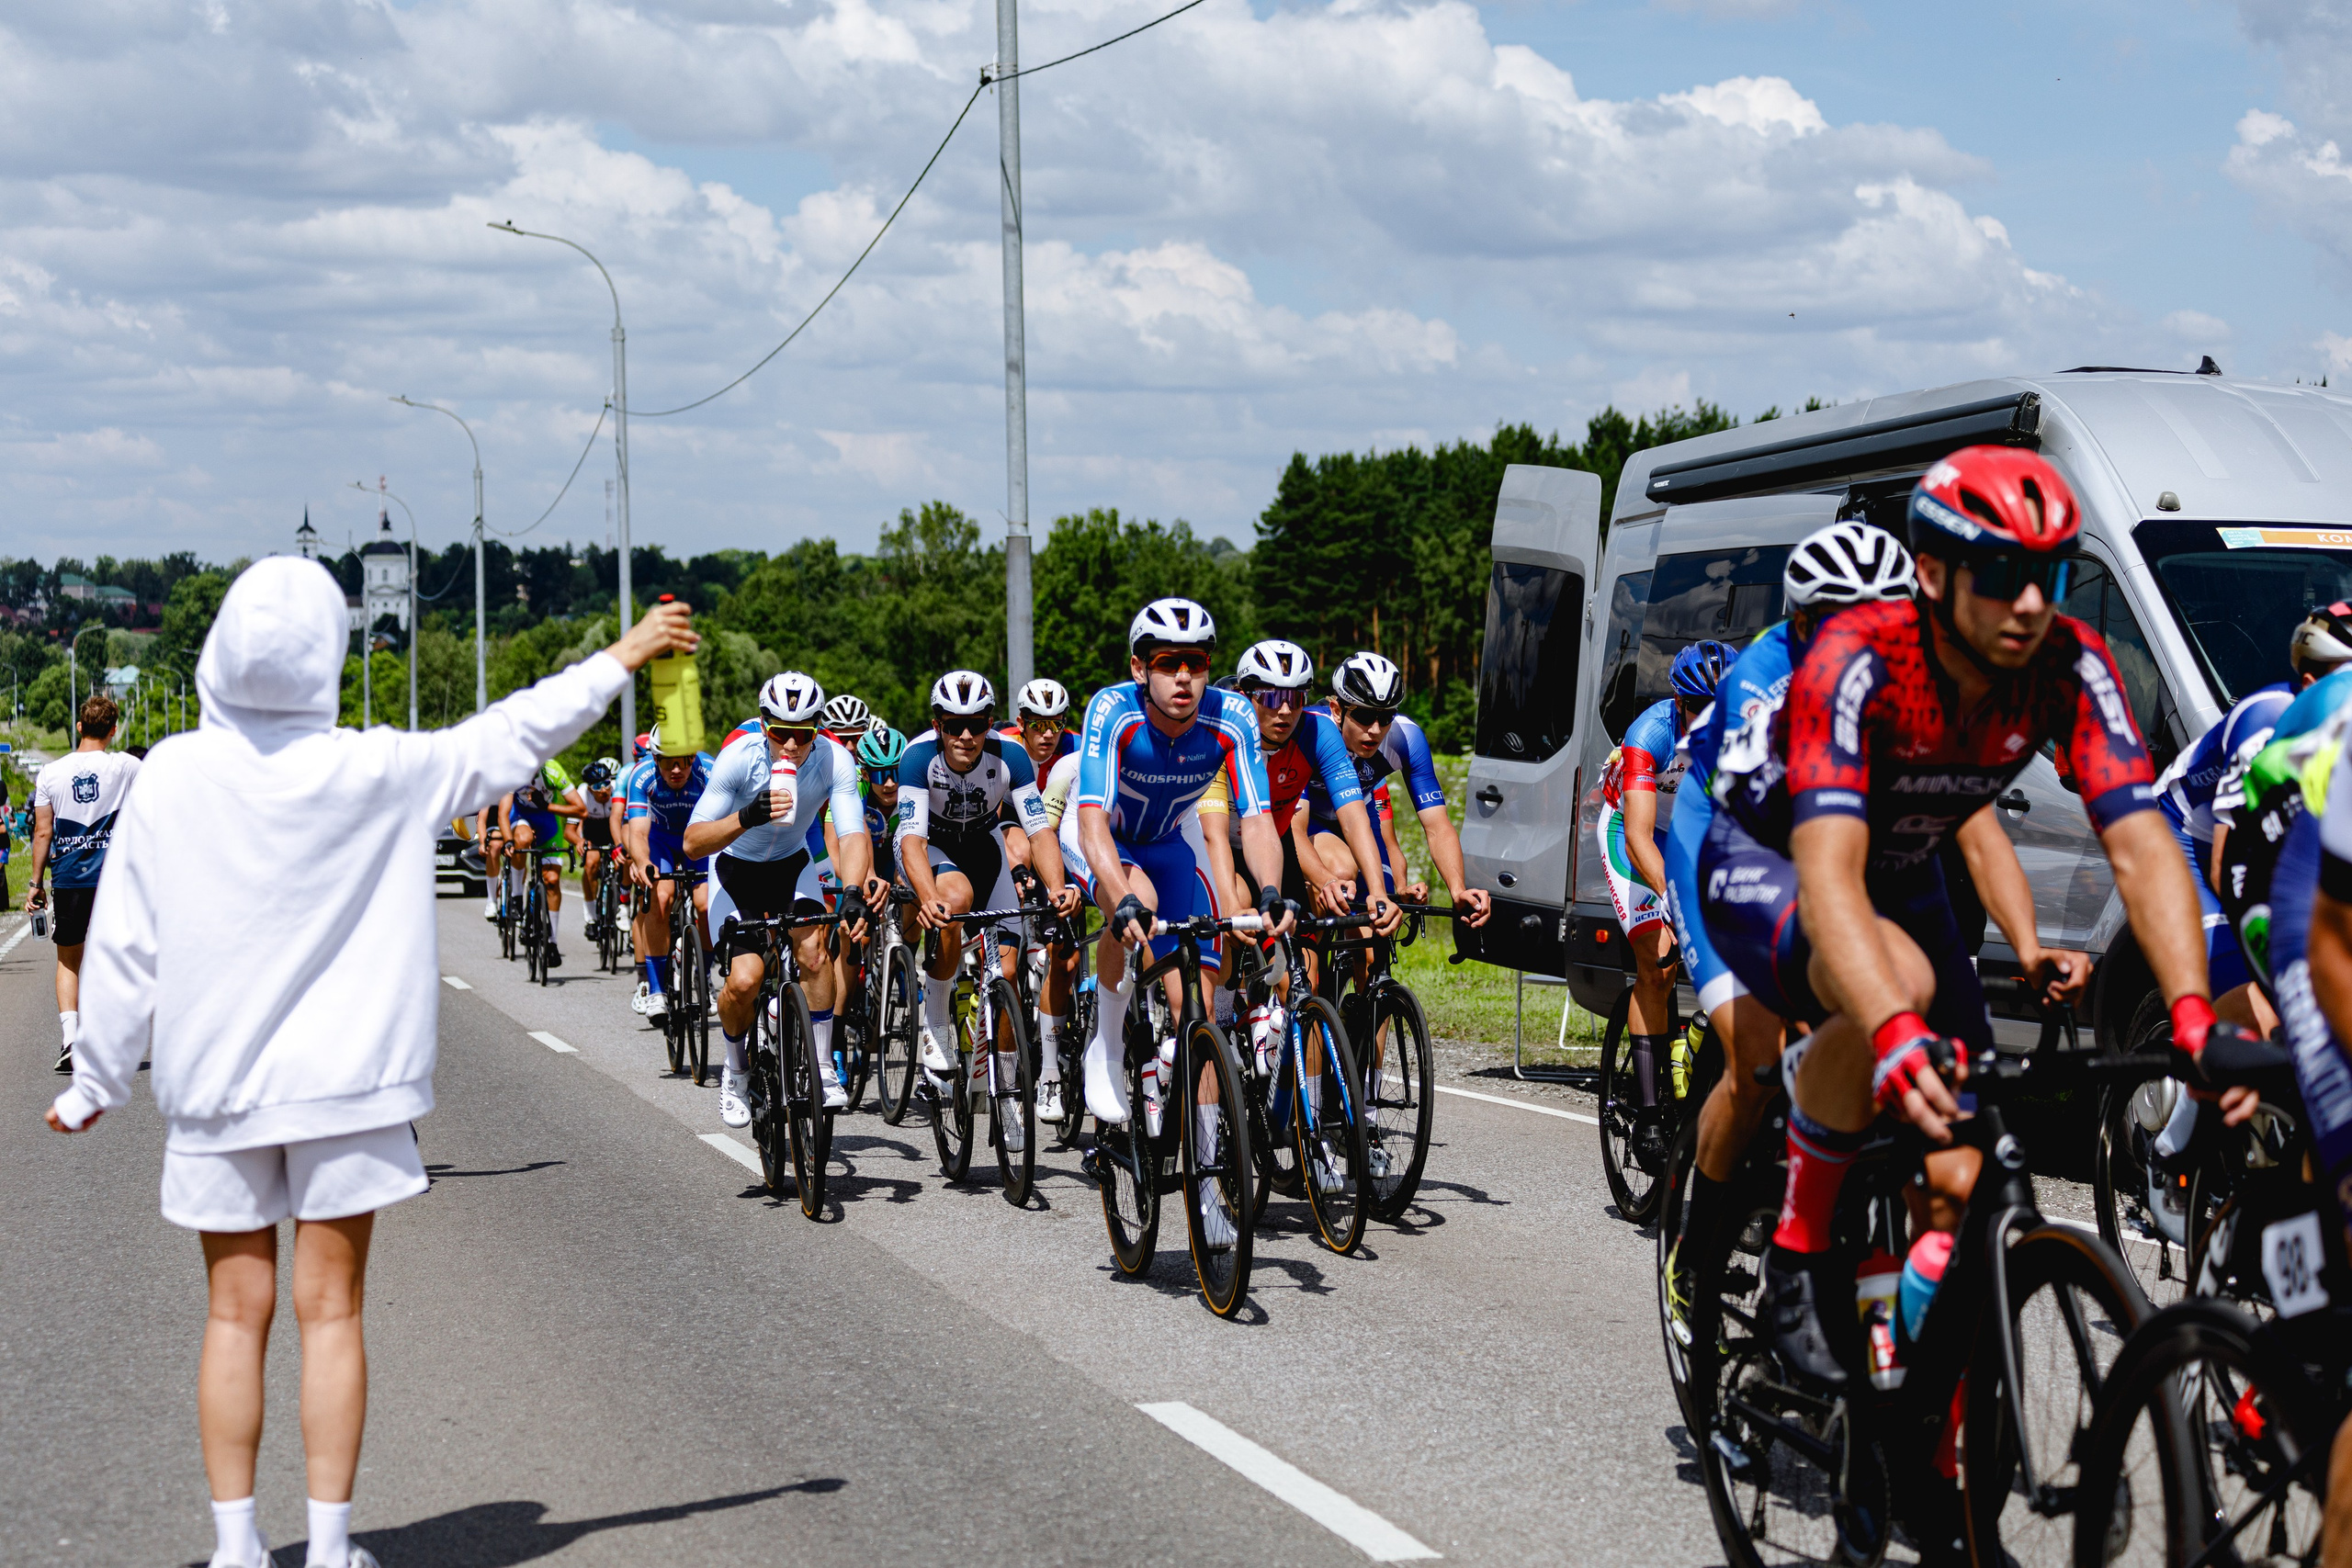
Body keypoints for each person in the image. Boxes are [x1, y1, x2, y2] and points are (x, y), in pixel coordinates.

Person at [44, 558, 694, 1568]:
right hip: (348, 1088)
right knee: (332, 1311)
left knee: (233, 1313)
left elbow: (125, 943)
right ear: (326, 658)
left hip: (217, 1087)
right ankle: (336, 1542)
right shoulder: (380, 767)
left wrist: (95, 1079)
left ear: (218, 654)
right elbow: (517, 732)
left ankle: (236, 1549)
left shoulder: (172, 772)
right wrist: (627, 651)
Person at [1707, 448, 2220, 1406]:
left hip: (1898, 874)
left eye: (2050, 575)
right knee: (1886, 988)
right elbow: (1827, 878)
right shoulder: (1856, 659)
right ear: (1934, 576)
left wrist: (2191, 1014)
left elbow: (2144, 845)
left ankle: (1902, 1403)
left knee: (1961, 1170)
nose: (2030, 602)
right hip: (1768, 860)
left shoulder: (2068, 661)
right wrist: (1896, 1035)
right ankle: (1794, 1252)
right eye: (1999, 575)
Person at [1660, 520, 1916, 1346]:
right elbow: (1777, 824)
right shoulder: (1767, 675)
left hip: (1831, 845)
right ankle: (1695, 1243)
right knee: (1758, 1059)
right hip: (1727, 837)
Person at [1066, 598, 1295, 1247]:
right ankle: (1105, 1046)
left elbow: (1255, 819)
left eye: (1196, 663)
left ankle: (1207, 1184)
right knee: (1126, 901)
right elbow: (1090, 820)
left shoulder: (1232, 716)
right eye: (1168, 663)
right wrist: (1120, 895)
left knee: (1196, 1007)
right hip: (1104, 840)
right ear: (1141, 667)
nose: (1184, 678)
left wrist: (1272, 889)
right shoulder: (1112, 710)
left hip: (1168, 841)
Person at [682, 671, 874, 1122]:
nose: (789, 744)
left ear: (817, 729)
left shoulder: (833, 759)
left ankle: (824, 1065)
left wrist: (851, 890)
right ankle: (735, 1068)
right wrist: (747, 816)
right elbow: (693, 841)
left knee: (814, 955)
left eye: (801, 734)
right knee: (745, 980)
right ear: (764, 725)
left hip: (791, 865)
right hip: (735, 869)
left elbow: (851, 832)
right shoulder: (739, 758)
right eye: (779, 732)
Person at [898, 671, 1076, 1143]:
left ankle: (1009, 1091)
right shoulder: (917, 758)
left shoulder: (1009, 755)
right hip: (932, 849)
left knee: (1009, 975)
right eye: (953, 725)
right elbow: (911, 840)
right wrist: (927, 896)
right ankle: (935, 1018)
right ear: (937, 724)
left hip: (984, 846)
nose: (965, 737)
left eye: (976, 725)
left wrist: (1056, 888)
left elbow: (1039, 832)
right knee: (955, 900)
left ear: (990, 723)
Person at [1591, 640, 1732, 1140]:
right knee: (1657, 962)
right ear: (1679, 702)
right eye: (1697, 710)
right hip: (1632, 830)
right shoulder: (1649, 734)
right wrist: (1676, 902)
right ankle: (1649, 1113)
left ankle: (1700, 1042)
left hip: (1690, 832)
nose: (1707, 722)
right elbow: (1637, 837)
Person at [28, 694, 140, 1073]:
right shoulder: (127, 766)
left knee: (69, 960)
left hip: (71, 879)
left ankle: (71, 1041)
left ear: (79, 727)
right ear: (112, 730)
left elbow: (43, 834)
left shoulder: (51, 773)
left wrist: (35, 883)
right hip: (115, 881)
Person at [623, 726, 713, 1023]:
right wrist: (642, 861)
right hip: (659, 839)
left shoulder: (709, 771)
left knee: (706, 906)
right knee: (660, 898)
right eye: (666, 762)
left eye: (683, 761)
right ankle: (657, 990)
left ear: (693, 757)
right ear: (655, 758)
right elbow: (637, 830)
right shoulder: (641, 776)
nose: (676, 770)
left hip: (697, 840)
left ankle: (704, 973)